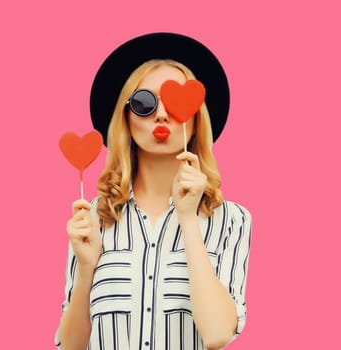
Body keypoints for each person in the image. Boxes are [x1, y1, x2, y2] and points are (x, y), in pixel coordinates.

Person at [54, 32, 252, 350]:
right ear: (127, 118)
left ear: (196, 121)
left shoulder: (231, 219)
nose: (161, 114)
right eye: (145, 102)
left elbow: (217, 334)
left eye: (174, 104)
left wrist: (188, 220)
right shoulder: (91, 217)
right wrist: (87, 266)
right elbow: (70, 346)